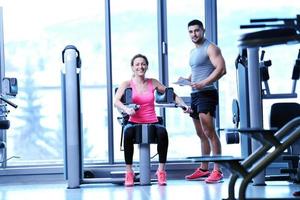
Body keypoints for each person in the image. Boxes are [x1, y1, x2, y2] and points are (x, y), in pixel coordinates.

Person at [114, 53, 190, 187]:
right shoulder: (126, 84)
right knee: (127, 133)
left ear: (147, 66)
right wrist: (126, 110)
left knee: (162, 133)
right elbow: (116, 101)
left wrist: (183, 104)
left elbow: (172, 94)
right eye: (137, 64)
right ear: (132, 67)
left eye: (143, 64)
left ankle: (161, 171)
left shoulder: (153, 82)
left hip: (152, 120)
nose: (140, 67)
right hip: (134, 120)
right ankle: (129, 172)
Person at [179, 19, 226, 183]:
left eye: (197, 31)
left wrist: (204, 83)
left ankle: (217, 170)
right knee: (201, 134)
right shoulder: (193, 52)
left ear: (203, 30)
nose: (194, 34)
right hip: (195, 94)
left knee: (209, 132)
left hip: (207, 93)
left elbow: (221, 69)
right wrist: (187, 79)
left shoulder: (211, 48)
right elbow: (198, 71)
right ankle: (204, 169)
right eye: (191, 31)